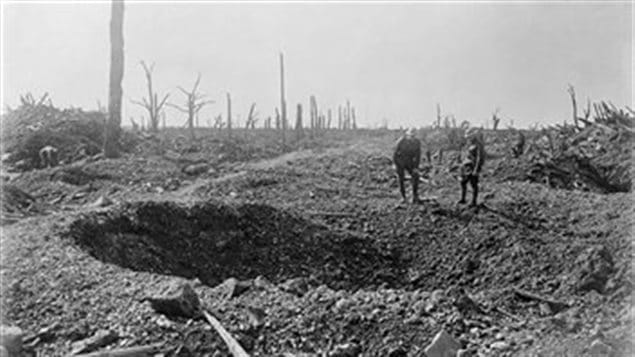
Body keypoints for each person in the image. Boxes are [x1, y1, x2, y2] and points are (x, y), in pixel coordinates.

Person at [393, 128, 422, 204]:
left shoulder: (417, 142)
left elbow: (418, 155)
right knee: (401, 178)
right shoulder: (401, 141)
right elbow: (395, 154)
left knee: (416, 175)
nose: (412, 137)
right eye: (410, 135)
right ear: (407, 135)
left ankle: (415, 195)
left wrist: (416, 167)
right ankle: (403, 196)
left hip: (409, 161)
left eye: (413, 136)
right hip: (400, 161)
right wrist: (395, 164)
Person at [459, 128, 485, 207]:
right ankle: (463, 199)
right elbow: (464, 154)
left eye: (470, 136)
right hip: (465, 166)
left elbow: (480, 158)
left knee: (473, 184)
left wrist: (476, 169)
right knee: (462, 182)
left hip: (472, 167)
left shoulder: (478, 145)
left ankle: (474, 202)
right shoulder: (467, 144)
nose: (468, 137)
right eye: (467, 136)